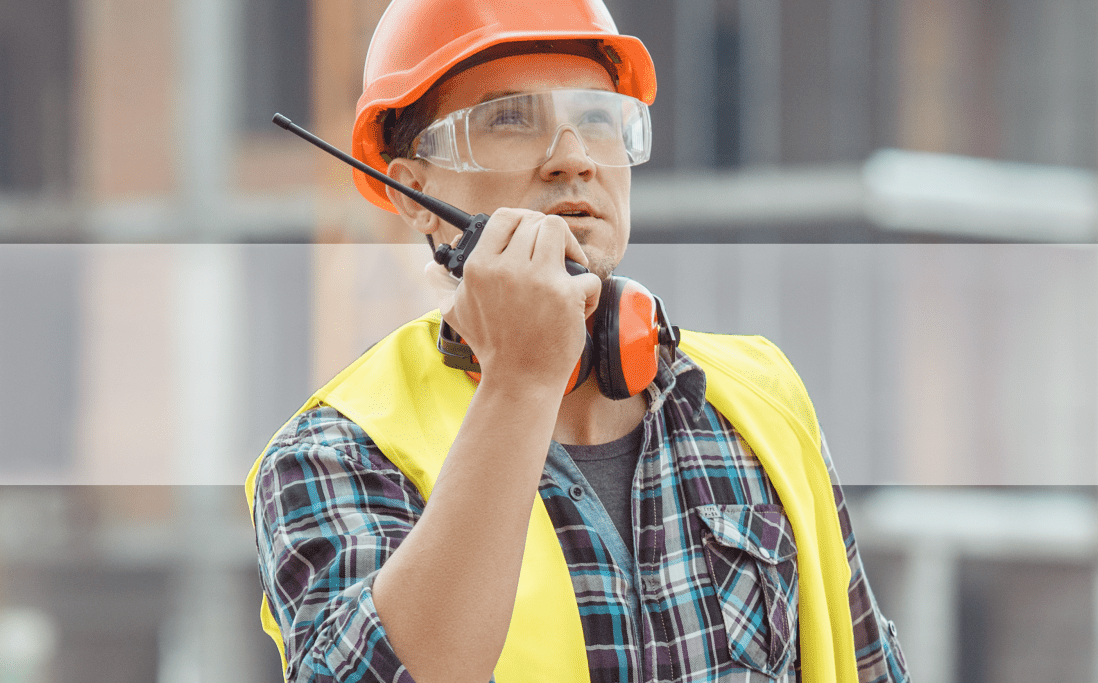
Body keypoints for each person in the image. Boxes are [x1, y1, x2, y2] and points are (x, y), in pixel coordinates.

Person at [245, 1, 909, 681]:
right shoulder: (333, 453)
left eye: (597, 119)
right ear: (413, 191)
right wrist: (519, 383)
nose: (573, 158)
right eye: (509, 118)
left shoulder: (764, 401)